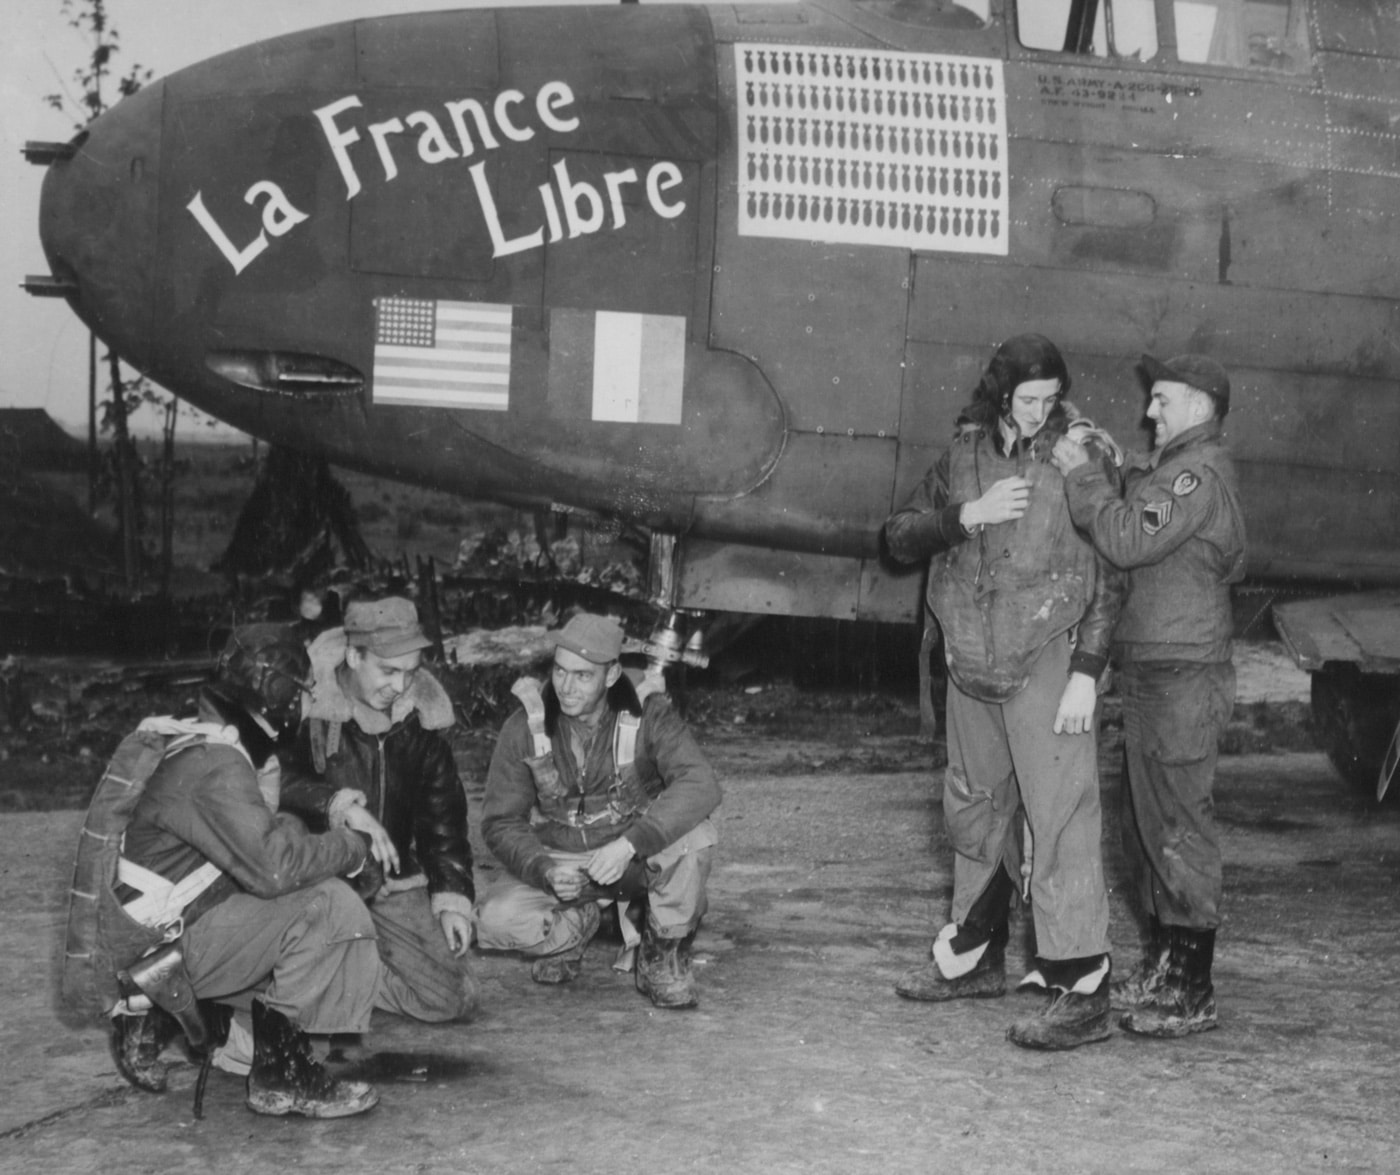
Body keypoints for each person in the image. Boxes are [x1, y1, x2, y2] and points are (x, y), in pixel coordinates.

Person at [883, 333, 1124, 1050]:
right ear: (999, 393)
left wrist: (1087, 668)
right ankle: (973, 955)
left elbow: (1112, 569)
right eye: (1027, 398)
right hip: (971, 656)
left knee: (1061, 820)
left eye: (1051, 398)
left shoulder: (1082, 454)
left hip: (1048, 654)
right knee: (975, 808)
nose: (1040, 411)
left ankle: (1081, 983)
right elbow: (897, 537)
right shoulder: (962, 455)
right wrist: (967, 515)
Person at [108, 624, 381, 1118]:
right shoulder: (217, 764)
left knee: (292, 839)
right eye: (299, 691)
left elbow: (256, 844)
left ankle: (182, 1019)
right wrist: (352, 849)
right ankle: (281, 1075)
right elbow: (273, 871)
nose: (302, 705)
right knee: (330, 906)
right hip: (160, 943)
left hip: (151, 930)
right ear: (277, 693)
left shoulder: (200, 734)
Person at [1052, 352, 1246, 1038]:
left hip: (1182, 674)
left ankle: (1192, 985)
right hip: (1157, 669)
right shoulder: (1175, 471)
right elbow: (1145, 493)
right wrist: (1114, 462)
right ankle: (1166, 965)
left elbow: (1129, 535)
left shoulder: (1196, 474)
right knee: (1146, 827)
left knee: (1177, 827)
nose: (1149, 410)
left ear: (1198, 406)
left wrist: (1080, 472)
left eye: (1162, 400)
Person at [476, 613, 721, 1009]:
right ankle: (576, 925)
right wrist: (544, 870)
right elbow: (501, 821)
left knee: (694, 838)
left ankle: (662, 959)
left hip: (632, 860)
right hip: (563, 863)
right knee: (494, 920)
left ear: (610, 676)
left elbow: (701, 784)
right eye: (559, 671)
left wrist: (630, 844)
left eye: (582, 676)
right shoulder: (526, 724)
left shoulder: (649, 714)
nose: (565, 688)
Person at [280, 596, 480, 1025]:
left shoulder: (421, 723)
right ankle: (319, 966)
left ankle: (347, 970)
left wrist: (452, 898)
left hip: (389, 882)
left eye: (410, 673)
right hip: (319, 881)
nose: (400, 686)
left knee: (453, 998)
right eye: (388, 671)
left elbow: (442, 819)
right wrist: (338, 806)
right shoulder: (305, 707)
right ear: (354, 656)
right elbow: (267, 781)